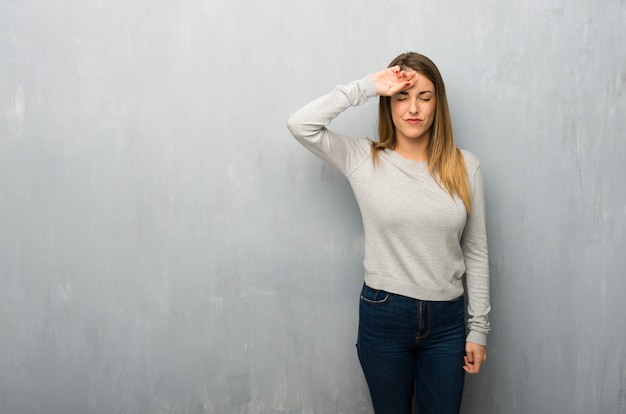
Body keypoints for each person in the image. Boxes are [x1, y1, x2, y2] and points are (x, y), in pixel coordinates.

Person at [287, 52, 490, 414]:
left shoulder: (465, 166)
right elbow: (300, 124)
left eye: (424, 97)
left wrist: (478, 329)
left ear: (437, 105)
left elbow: (475, 253)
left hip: (447, 323)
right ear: (389, 104)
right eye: (401, 97)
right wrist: (367, 87)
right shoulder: (364, 157)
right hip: (385, 314)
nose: (413, 108)